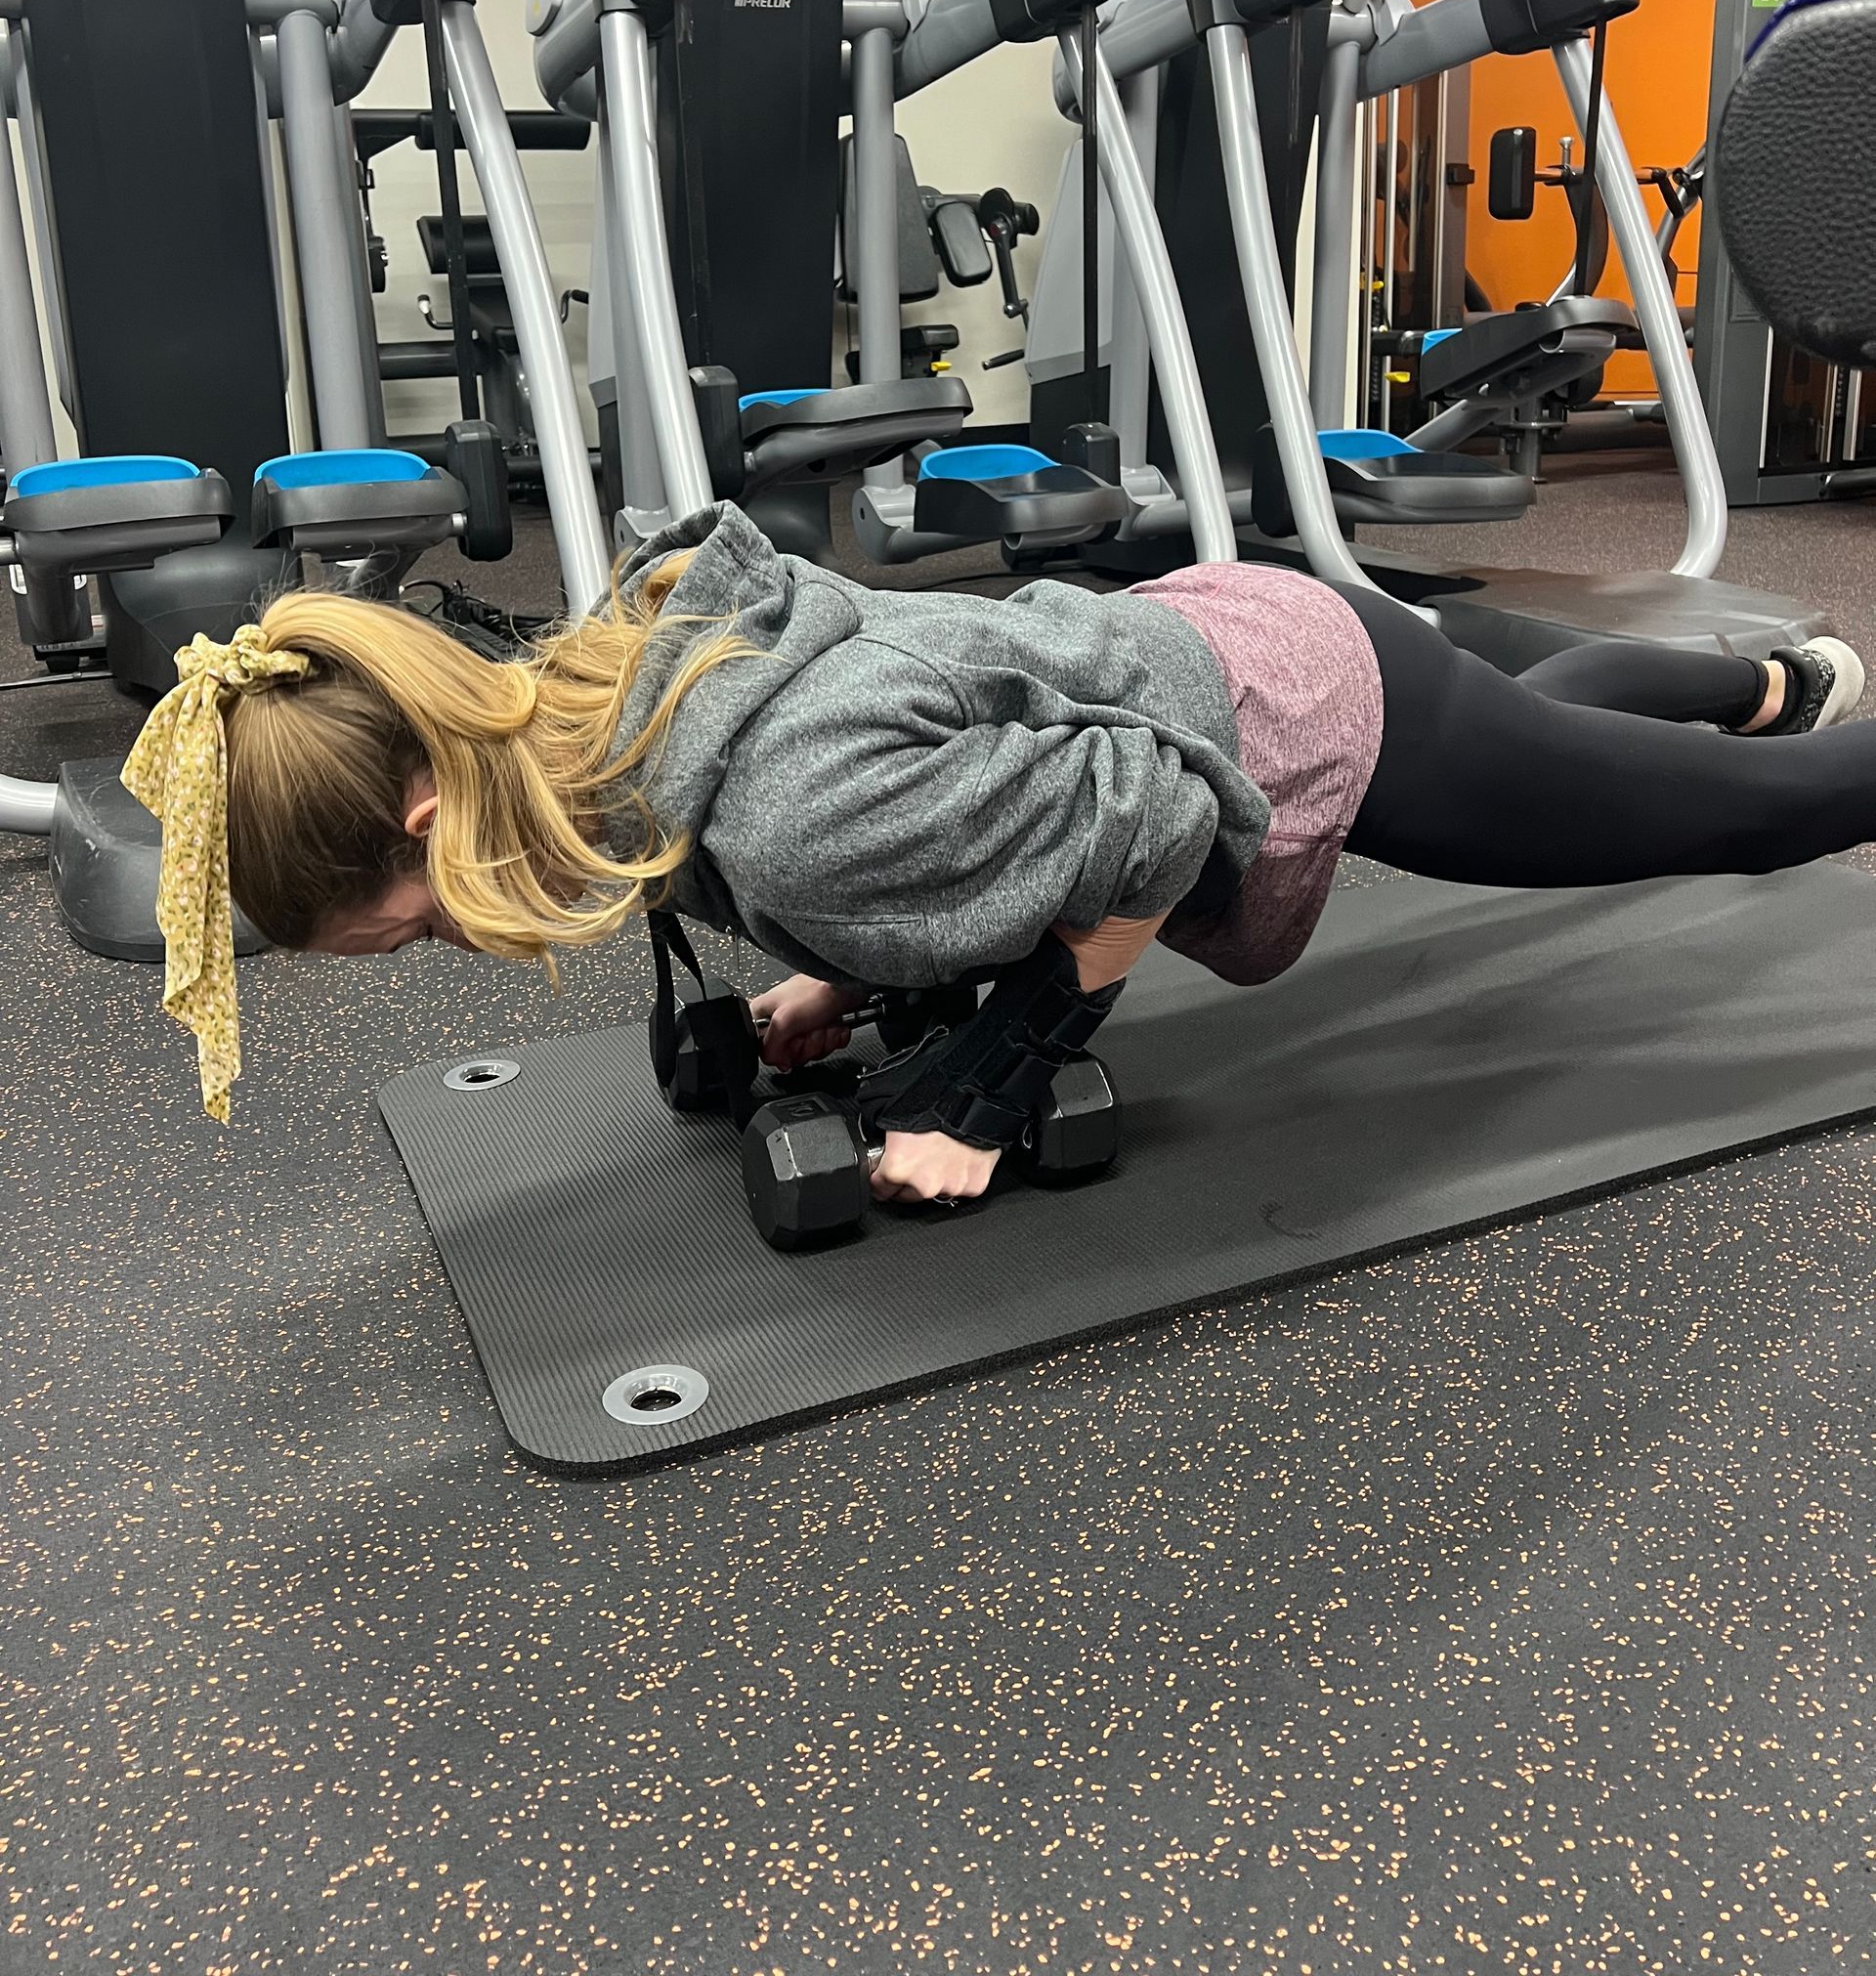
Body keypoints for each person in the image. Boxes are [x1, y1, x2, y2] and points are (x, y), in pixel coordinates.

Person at [124, 502, 1869, 1204]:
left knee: (1744, 828)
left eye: (409, 928)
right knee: (1560, 733)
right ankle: (1773, 677)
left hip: (1303, 702)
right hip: (1210, 618)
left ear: (426, 810)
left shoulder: (786, 818)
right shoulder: (590, 705)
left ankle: (1788, 733)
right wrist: (852, 958)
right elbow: (918, 779)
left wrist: (989, 1084)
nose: (450, 947)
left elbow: (1158, 822)